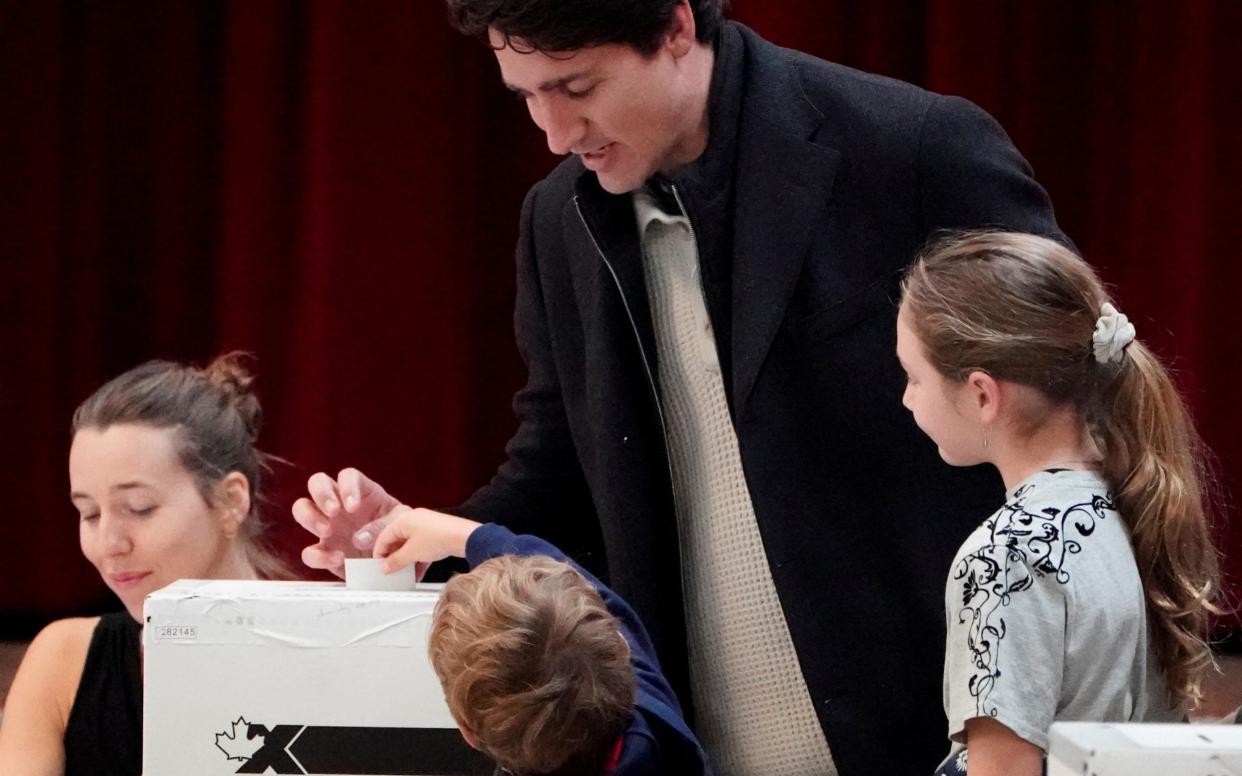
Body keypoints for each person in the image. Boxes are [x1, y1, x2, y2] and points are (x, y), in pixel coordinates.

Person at [294, 2, 1066, 772]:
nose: (557, 133)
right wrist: (421, 539)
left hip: (944, 741)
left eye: (577, 87)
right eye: (527, 96)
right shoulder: (558, 219)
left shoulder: (912, 151)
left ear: (675, 28)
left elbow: (1075, 410)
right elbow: (558, 479)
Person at [895, 232, 1221, 776]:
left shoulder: (1001, 557)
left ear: (982, 393)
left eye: (914, 376)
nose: (906, 397)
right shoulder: (1137, 501)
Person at [0, 354, 290, 776]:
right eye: (90, 514)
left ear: (231, 500)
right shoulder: (63, 661)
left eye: (139, 508)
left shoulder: (329, 646)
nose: (108, 544)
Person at [371, 506, 710, 775]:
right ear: (622, 649)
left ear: (468, 733)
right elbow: (586, 587)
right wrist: (472, 536)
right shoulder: (660, 726)